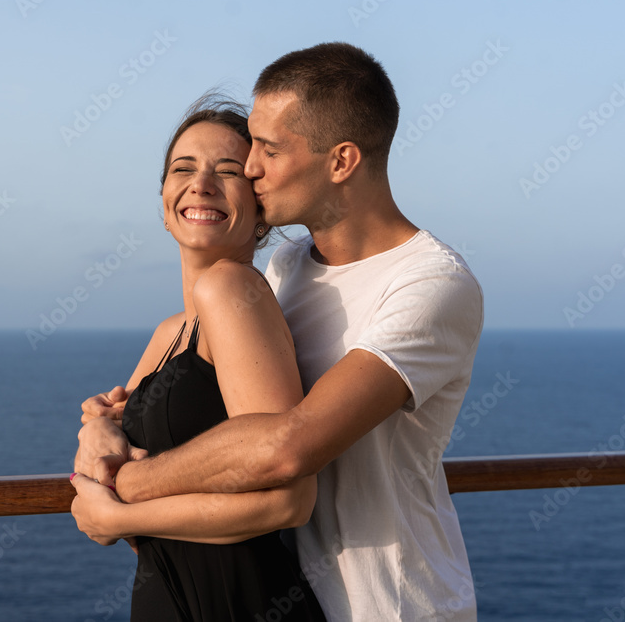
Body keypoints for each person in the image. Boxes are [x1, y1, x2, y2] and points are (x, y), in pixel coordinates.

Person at [76, 43, 484, 621]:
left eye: (267, 149)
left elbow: (286, 446)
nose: (250, 167)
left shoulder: (430, 286)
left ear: (341, 161)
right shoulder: (285, 270)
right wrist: (99, 427)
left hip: (389, 604)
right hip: (285, 591)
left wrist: (127, 488)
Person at [70, 96, 326, 621]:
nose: (201, 184)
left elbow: (288, 500)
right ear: (164, 202)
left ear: (259, 212)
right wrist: (95, 429)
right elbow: (113, 438)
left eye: (228, 171)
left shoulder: (231, 289)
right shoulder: (173, 330)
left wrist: (118, 519)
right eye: (182, 169)